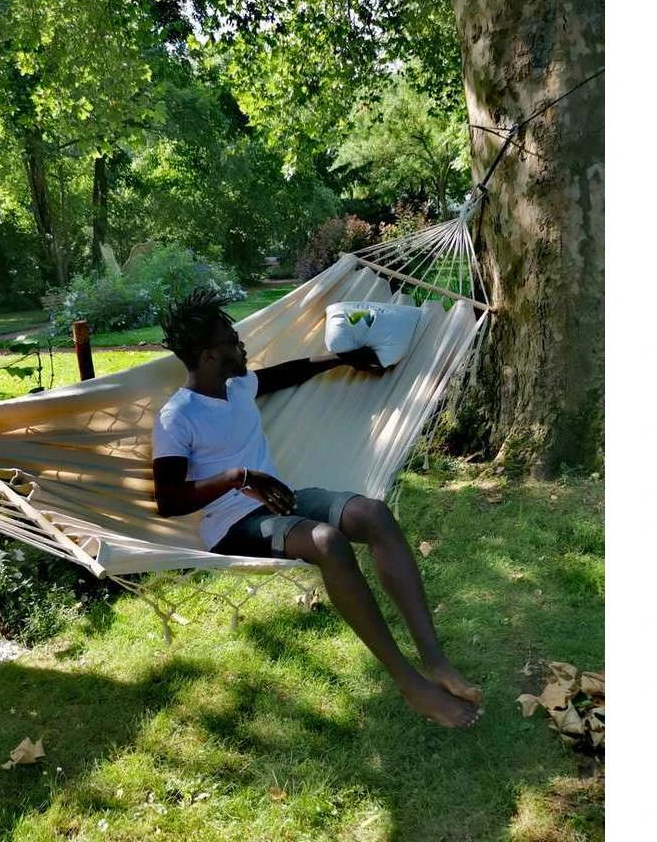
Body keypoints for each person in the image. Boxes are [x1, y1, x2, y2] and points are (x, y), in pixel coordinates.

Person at [151, 288, 482, 729]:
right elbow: (169, 501)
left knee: (373, 514)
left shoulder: (237, 387)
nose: (242, 344)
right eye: (232, 340)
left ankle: (435, 661)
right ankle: (409, 683)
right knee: (328, 542)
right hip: (232, 525)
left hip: (280, 500)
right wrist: (238, 477)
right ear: (209, 356)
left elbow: (287, 373)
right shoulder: (177, 417)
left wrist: (345, 359)